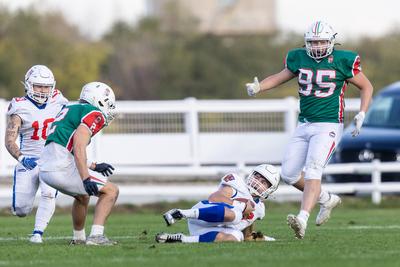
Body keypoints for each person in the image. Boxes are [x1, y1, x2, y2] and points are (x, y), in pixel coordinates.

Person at [245, 21, 374, 239]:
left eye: (322, 41)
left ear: (332, 41)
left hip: (329, 124)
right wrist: (260, 86)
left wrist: (362, 112)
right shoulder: (298, 57)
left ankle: (302, 218)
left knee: (314, 169)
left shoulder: (343, 60)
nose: (317, 46)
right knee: (289, 174)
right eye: (313, 42)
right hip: (304, 123)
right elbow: (280, 76)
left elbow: (366, 86)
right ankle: (325, 198)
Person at [38, 81, 119, 246]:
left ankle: (79, 238)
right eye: (108, 103)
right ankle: (96, 236)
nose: (109, 108)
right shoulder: (93, 112)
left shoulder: (70, 109)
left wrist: (93, 166)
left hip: (46, 169)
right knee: (111, 191)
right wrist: (85, 177)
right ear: (98, 100)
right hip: (60, 169)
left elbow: (64, 146)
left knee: (82, 196)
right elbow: (78, 144)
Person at [5, 65, 68, 243]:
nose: (43, 90)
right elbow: (9, 140)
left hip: (51, 160)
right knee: (21, 210)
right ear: (29, 85)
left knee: (49, 194)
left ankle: (37, 234)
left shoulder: (59, 101)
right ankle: (22, 210)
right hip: (28, 160)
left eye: (46, 86)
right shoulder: (19, 106)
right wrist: (22, 158)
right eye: (38, 86)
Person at [155, 164, 280, 243]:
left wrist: (269, 239)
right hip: (201, 215)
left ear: (270, 190)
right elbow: (215, 197)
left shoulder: (259, 209)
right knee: (235, 216)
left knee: (236, 237)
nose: (257, 182)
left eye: (263, 182)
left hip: (210, 230)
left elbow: (246, 235)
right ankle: (181, 213)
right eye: (257, 177)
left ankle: (181, 239)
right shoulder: (237, 183)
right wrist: (242, 207)